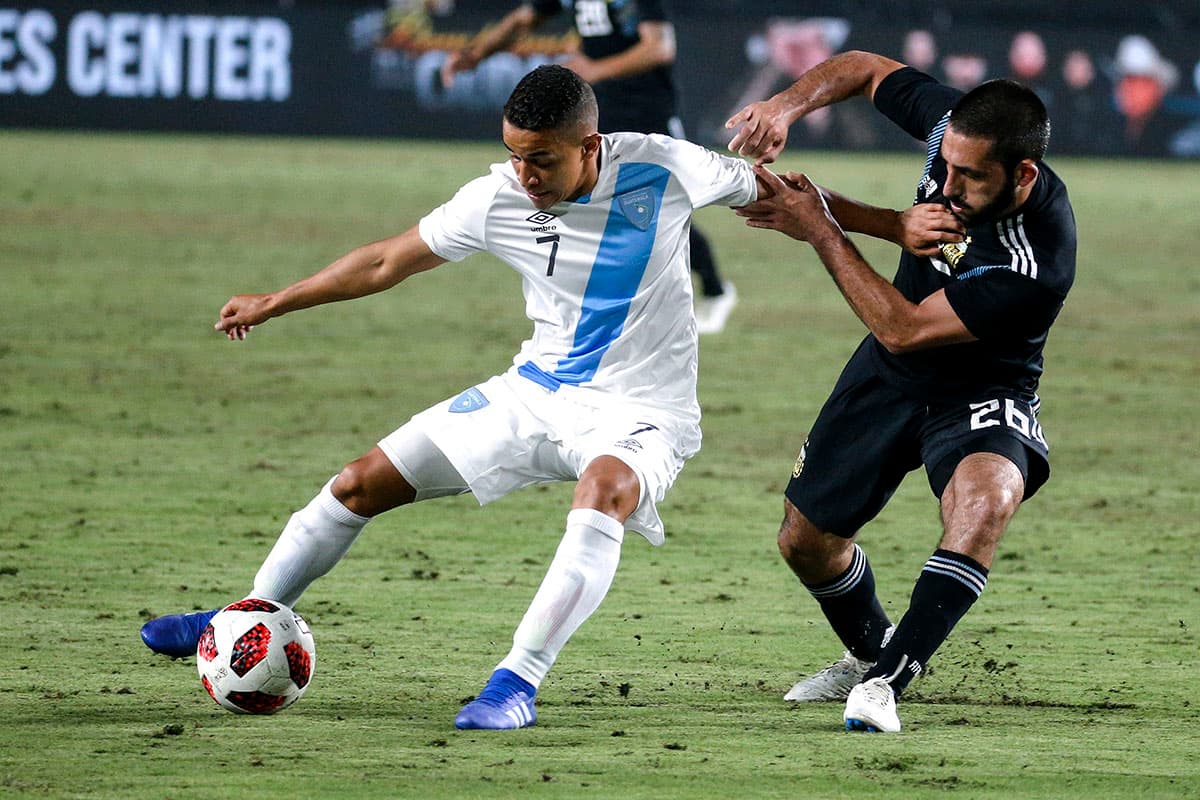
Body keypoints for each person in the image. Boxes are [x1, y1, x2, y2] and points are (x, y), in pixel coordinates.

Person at [140, 65, 765, 730]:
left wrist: (877, 228)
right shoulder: (497, 199)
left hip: (643, 411)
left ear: (589, 146)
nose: (523, 175)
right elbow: (386, 261)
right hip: (533, 394)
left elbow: (785, 194)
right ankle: (248, 617)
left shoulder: (664, 166)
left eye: (540, 160)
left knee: (603, 492)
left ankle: (515, 684)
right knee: (357, 484)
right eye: (512, 155)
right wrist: (275, 301)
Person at [726, 50, 1076, 732]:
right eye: (944, 163)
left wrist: (821, 224)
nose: (948, 184)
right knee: (805, 542)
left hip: (979, 381)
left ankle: (884, 684)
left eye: (969, 177)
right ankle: (870, 653)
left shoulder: (1037, 260)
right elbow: (861, 67)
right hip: (890, 377)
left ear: (1023, 173)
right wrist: (782, 107)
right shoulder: (958, 130)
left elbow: (902, 327)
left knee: (985, 501)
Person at [441, 1, 739, 335]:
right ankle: (610, 304)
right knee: (595, 205)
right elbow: (525, 18)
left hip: (646, 115)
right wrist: (477, 54)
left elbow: (658, 47)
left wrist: (595, 69)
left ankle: (715, 290)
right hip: (595, 116)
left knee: (658, 207)